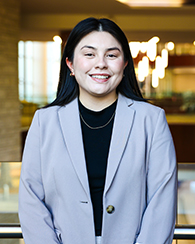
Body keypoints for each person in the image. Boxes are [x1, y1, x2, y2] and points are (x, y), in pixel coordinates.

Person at [19, 17, 177, 244]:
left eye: (111, 55)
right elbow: (30, 199)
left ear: (124, 64)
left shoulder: (151, 120)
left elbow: (162, 201)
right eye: (89, 54)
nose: (101, 63)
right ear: (71, 64)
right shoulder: (45, 122)